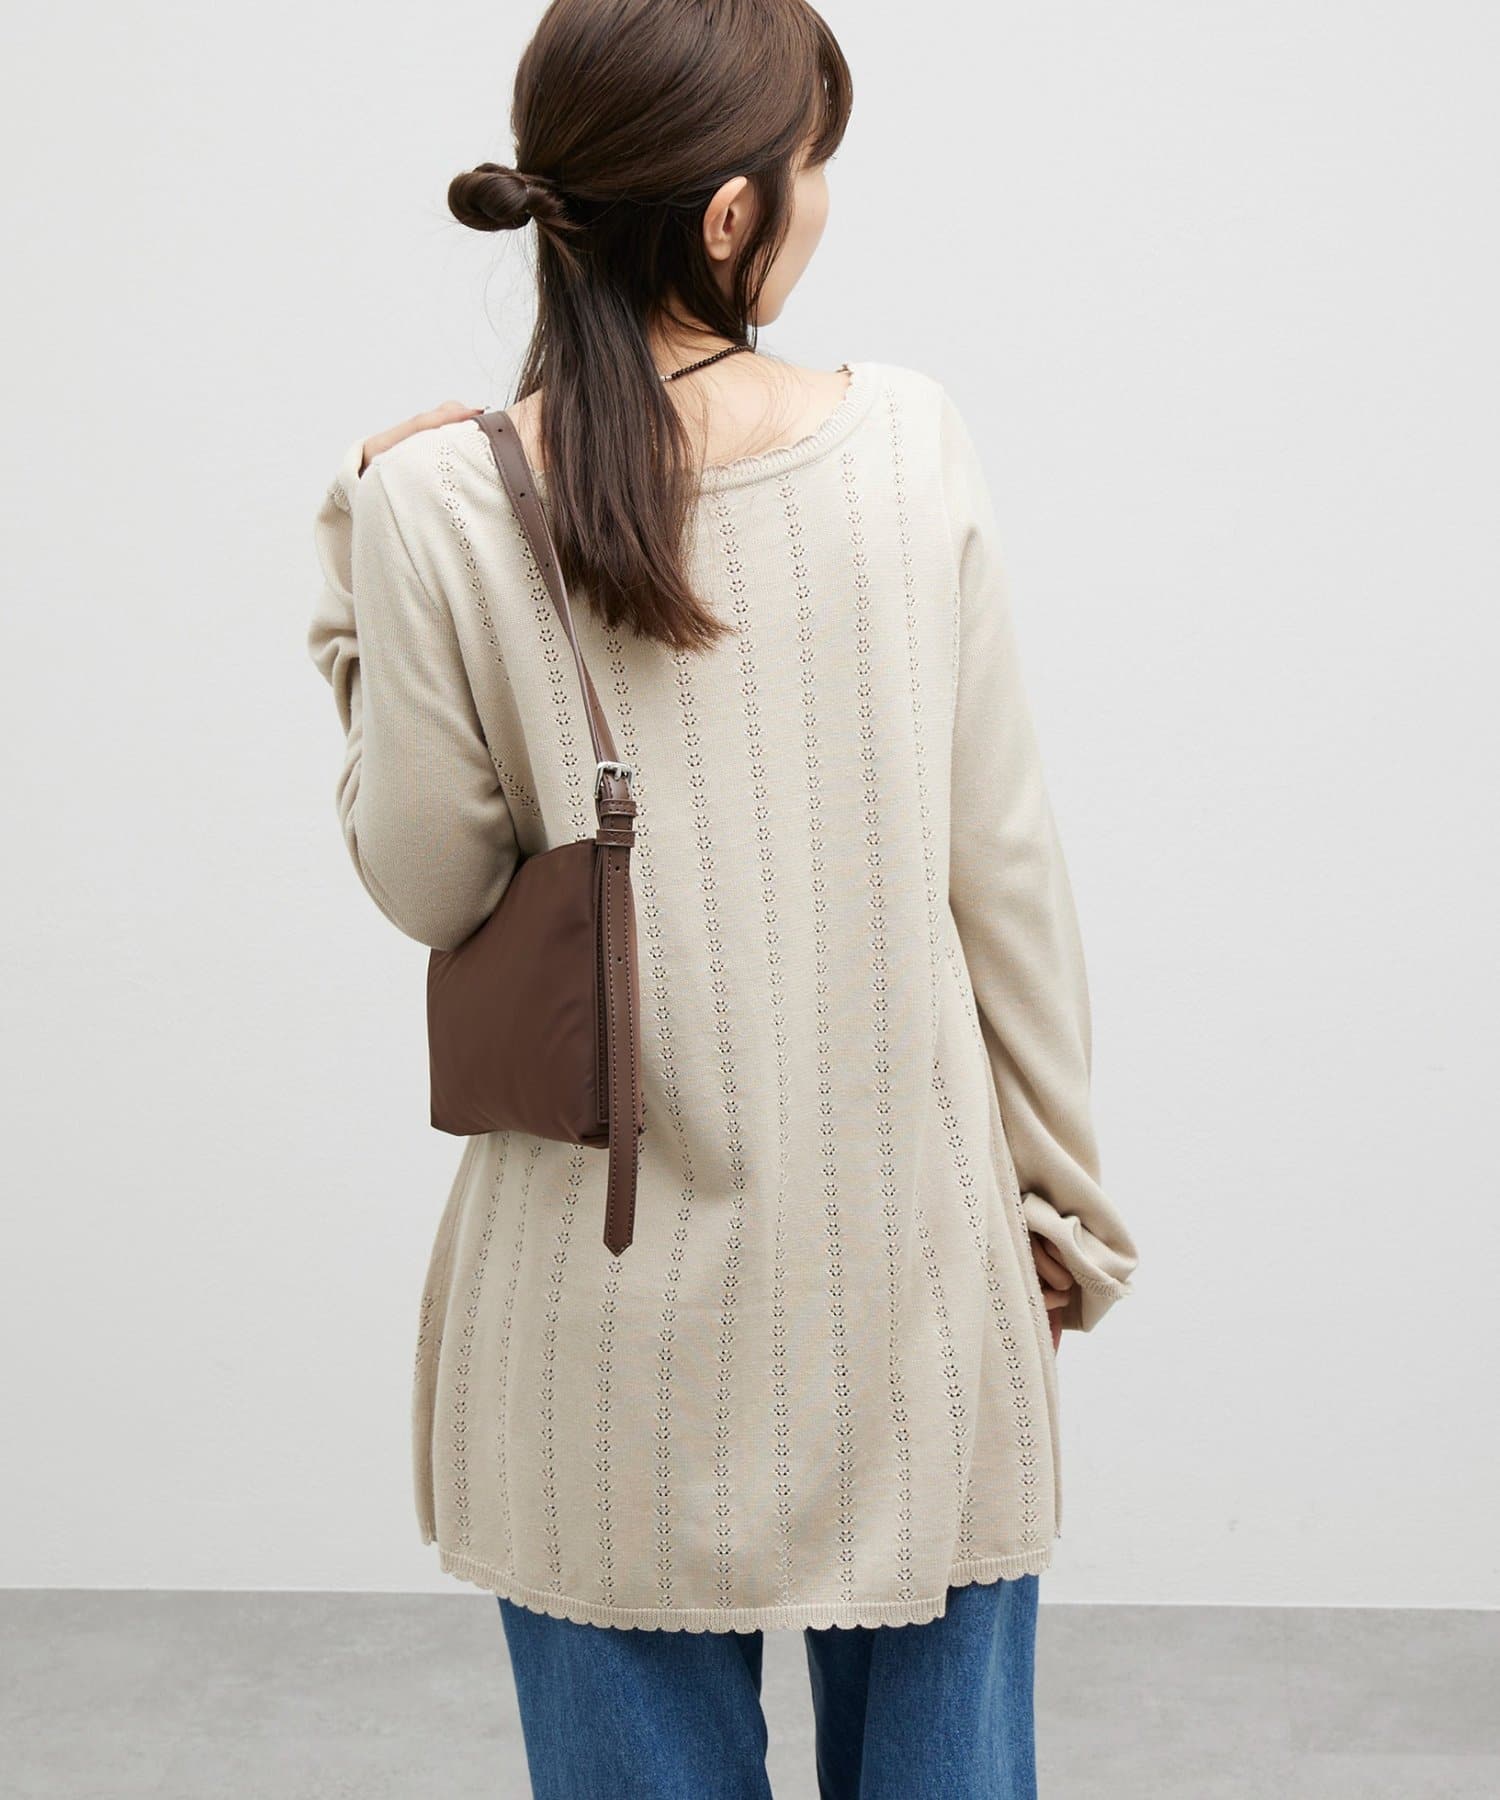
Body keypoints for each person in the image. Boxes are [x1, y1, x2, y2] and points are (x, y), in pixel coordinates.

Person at [306, 0, 1139, 1792]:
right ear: (732, 214)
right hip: (912, 1288)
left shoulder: (434, 499)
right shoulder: (907, 441)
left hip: (589, 1321)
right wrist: (1064, 1209)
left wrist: (351, 580)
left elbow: (427, 884)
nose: (825, 198)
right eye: (813, 161)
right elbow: (1004, 867)